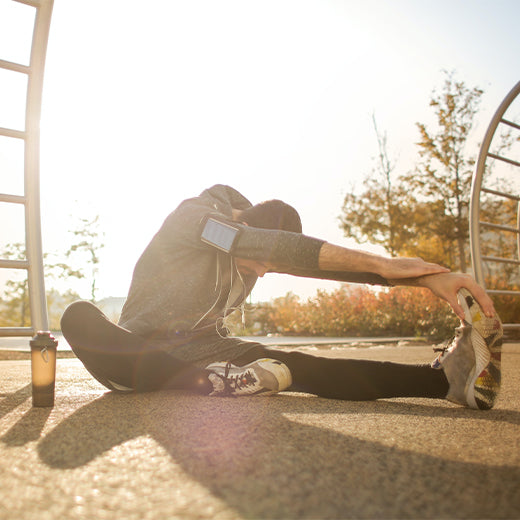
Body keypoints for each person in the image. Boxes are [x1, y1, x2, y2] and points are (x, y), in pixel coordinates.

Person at [61, 185, 503, 410]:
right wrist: (385, 263)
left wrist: (425, 280)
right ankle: (212, 382)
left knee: (300, 364)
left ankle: (444, 382)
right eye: (261, 262)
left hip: (208, 352)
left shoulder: (254, 246)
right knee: (78, 316)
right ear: (244, 226)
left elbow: (308, 261)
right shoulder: (197, 220)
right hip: (134, 358)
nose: (262, 273)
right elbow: (261, 248)